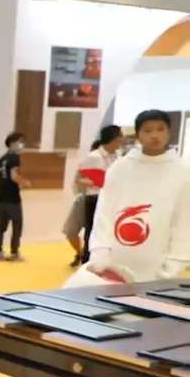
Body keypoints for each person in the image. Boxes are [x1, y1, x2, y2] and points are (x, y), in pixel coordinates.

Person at [85, 110, 190, 283]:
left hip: (159, 260)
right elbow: (104, 210)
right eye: (147, 130)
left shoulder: (183, 171)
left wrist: (175, 262)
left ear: (169, 132)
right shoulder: (120, 168)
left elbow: (184, 219)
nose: (154, 135)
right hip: (116, 258)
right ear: (138, 135)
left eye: (160, 129)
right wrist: (100, 250)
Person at [76, 124, 124, 264]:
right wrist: (96, 181)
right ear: (114, 138)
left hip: (113, 199)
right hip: (95, 198)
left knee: (109, 232)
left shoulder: (118, 157)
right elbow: (79, 179)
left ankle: (106, 261)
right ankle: (87, 262)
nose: (122, 139)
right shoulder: (94, 157)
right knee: (92, 231)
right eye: (120, 136)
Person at [63, 140, 101, 267]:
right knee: (70, 230)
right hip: (84, 200)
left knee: (95, 234)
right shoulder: (86, 164)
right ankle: (80, 254)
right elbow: (77, 182)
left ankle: (90, 257)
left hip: (102, 202)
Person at [0, 132, 32, 261]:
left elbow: (3, 177)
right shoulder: (15, 158)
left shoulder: (2, 159)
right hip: (12, 198)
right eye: (20, 142)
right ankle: (14, 252)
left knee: (2, 225)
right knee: (17, 224)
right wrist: (24, 182)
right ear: (12, 143)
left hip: (1, 198)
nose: (22, 145)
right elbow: (13, 176)